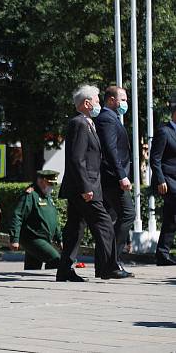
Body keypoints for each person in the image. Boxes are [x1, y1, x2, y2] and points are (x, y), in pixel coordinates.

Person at [56, 85, 130, 282]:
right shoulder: (79, 123)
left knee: (75, 228)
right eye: (97, 101)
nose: (99, 104)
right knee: (105, 224)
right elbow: (77, 159)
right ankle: (109, 268)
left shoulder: (87, 123)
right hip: (85, 187)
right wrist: (86, 188)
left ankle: (64, 270)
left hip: (82, 187)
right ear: (87, 103)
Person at [94, 86, 134, 269]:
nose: (125, 103)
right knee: (127, 214)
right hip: (113, 178)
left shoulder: (112, 118)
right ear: (111, 100)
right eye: (123, 99)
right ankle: (112, 261)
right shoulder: (107, 119)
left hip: (112, 178)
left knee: (108, 223)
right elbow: (110, 151)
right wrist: (122, 176)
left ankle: (104, 264)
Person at [8, 170, 62, 270]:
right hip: (33, 238)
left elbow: (53, 219)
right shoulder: (30, 195)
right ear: (41, 181)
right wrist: (14, 239)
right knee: (56, 260)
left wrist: (59, 239)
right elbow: (17, 216)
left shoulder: (48, 197)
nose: (52, 186)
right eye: (50, 183)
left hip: (43, 239)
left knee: (32, 270)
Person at [150, 92, 176, 266]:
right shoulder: (164, 131)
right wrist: (160, 180)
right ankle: (162, 253)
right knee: (171, 217)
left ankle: (162, 254)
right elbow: (155, 158)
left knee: (171, 218)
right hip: (169, 180)